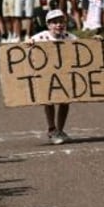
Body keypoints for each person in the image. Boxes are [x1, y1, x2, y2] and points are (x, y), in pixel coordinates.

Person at [26, 9, 77, 144]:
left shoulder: (70, 37)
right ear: (48, 25)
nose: (59, 25)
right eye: (54, 22)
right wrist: (29, 44)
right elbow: (26, 45)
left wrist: (96, 43)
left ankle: (60, 130)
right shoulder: (40, 37)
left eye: (61, 22)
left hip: (64, 76)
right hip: (47, 76)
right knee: (48, 101)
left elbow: (83, 48)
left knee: (65, 102)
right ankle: (51, 129)